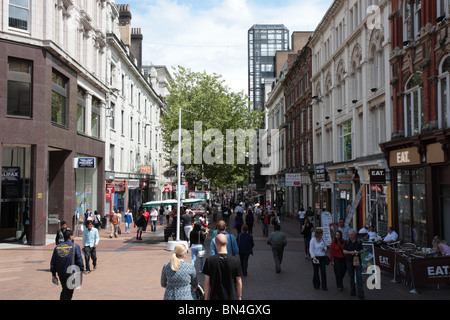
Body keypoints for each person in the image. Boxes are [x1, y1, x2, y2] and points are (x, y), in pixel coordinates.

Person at [203, 233, 242, 300]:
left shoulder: (209, 260)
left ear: (216, 244)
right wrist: (239, 296)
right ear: (227, 243)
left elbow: (207, 282)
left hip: (215, 297)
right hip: (231, 296)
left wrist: (205, 298)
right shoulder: (236, 261)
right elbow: (238, 281)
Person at [50, 229, 84, 300]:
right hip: (71, 273)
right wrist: (81, 270)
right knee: (68, 292)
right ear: (70, 237)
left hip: (61, 273)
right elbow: (79, 260)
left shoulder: (57, 247)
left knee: (65, 289)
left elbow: (53, 262)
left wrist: (53, 274)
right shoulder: (75, 246)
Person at [343, 229, 365, 299]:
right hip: (349, 261)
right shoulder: (347, 241)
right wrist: (350, 252)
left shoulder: (359, 241)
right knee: (351, 276)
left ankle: (361, 293)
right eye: (349, 235)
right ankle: (353, 291)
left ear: (355, 235)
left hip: (357, 260)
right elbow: (344, 251)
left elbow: (362, 250)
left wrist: (358, 252)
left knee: (359, 277)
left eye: (352, 235)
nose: (350, 236)